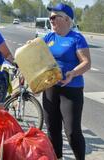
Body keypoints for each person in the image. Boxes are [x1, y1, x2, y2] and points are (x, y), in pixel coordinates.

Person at [42, 3, 91, 160]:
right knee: (52, 128)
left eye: (55, 17)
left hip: (71, 89)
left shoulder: (76, 38)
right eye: (50, 17)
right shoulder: (49, 37)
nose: (51, 20)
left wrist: (73, 73)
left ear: (67, 20)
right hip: (50, 88)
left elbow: (86, 62)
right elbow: (34, 55)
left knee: (72, 132)